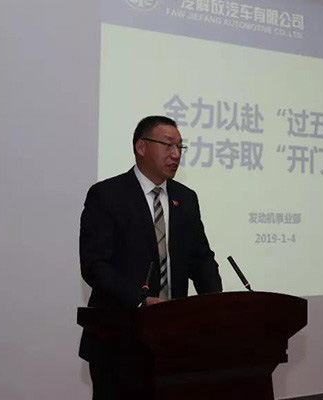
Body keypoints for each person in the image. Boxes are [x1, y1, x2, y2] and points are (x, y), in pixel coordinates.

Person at [79, 116, 222, 399]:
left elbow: (201, 259)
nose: (176, 154)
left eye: (180, 147)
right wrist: (141, 300)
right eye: (168, 145)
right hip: (119, 340)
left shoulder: (186, 198)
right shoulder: (107, 195)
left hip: (174, 340)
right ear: (141, 147)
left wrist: (216, 305)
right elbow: (95, 265)